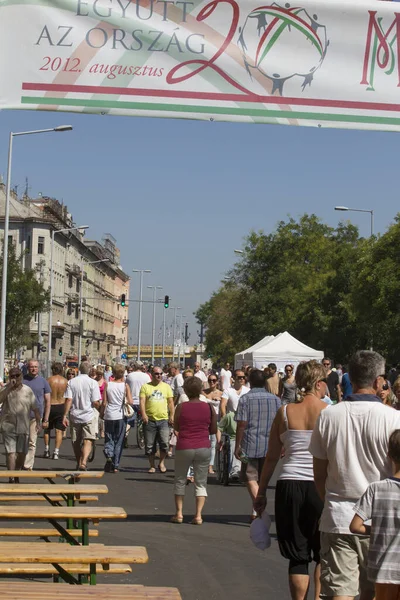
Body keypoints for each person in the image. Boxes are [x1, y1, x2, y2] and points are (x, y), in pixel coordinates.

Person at [310, 350, 400, 600]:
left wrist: (329, 500)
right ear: (379, 380)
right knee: (375, 591)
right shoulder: (394, 419)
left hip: (339, 515)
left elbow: (319, 474)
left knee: (340, 590)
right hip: (380, 522)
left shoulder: (328, 416)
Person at [255, 361, 329, 600]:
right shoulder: (329, 413)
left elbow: (272, 457)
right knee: (322, 553)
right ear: (319, 382)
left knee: (298, 555)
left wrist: (262, 490)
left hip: (290, 483)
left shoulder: (285, 412)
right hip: (320, 485)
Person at [350, 429, 400, 600]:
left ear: (389, 455)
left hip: (384, 569)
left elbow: (355, 526)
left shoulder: (376, 489)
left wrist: (378, 529)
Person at [235, 369, 281, 520]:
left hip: (249, 446)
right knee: (262, 479)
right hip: (270, 446)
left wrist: (237, 446)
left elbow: (241, 424)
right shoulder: (275, 400)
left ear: (250, 381)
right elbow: (281, 424)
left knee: (249, 477)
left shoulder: (245, 399)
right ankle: (256, 509)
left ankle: (258, 505)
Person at [171, 376, 217, 525]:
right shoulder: (209, 407)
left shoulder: (181, 407)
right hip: (203, 445)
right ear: (200, 390)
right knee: (201, 482)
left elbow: (176, 426)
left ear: (185, 390)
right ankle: (198, 515)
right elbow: (213, 429)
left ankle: (179, 513)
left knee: (180, 479)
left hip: (185, 445)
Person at [0, 367, 41, 482]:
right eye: (12, 376)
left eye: (17, 376)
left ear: (21, 377)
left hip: (23, 426)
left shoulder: (27, 390)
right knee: (11, 453)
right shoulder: (5, 389)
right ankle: (12, 477)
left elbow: (35, 408)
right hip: (8, 425)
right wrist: (8, 387)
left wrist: (39, 422)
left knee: (22, 453)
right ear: (9, 377)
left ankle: (16, 472)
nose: (15, 378)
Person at [62, 361, 102, 471]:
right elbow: (95, 402)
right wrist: (101, 409)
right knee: (88, 439)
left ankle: (78, 460)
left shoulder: (72, 382)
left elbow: (69, 400)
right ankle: (83, 462)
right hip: (88, 415)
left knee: (76, 441)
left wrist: (64, 415)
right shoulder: (93, 383)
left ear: (79, 370)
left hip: (75, 415)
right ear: (89, 371)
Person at [139, 367, 174, 474]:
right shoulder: (146, 387)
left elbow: (170, 402)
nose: (159, 375)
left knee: (164, 443)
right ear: (152, 375)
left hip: (163, 419)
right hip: (150, 419)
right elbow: (142, 401)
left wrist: (172, 415)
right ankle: (152, 465)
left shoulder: (166, 387)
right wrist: (143, 414)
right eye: (156, 374)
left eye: (160, 374)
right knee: (150, 445)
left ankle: (161, 462)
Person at [101, 363, 133, 472]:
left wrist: (101, 413)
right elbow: (131, 402)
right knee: (119, 440)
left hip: (109, 414)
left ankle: (109, 455)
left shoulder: (108, 385)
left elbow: (104, 402)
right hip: (120, 415)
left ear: (113, 373)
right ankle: (115, 465)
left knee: (109, 437)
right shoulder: (125, 386)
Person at [23, 359, 51, 470]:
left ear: (38, 368)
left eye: (35, 367)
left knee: (31, 442)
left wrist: (46, 419)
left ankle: (27, 465)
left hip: (36, 417)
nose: (34, 369)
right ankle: (21, 461)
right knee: (21, 441)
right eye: (31, 367)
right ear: (27, 368)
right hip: (22, 416)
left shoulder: (43, 382)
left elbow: (48, 401)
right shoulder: (23, 380)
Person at [44, 362, 68, 459]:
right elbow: (68, 397)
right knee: (59, 431)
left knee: (47, 429)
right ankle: (56, 452)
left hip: (50, 405)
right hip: (61, 406)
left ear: (53, 370)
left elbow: (44, 395)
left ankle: (46, 450)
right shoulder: (65, 381)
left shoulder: (48, 380)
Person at [203, 372, 223, 474]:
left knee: (213, 444)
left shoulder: (221, 393)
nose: (212, 382)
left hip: (216, 421)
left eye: (214, 380)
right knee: (204, 444)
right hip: (205, 420)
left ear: (217, 382)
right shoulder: (203, 392)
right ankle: (203, 464)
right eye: (210, 380)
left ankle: (210, 466)